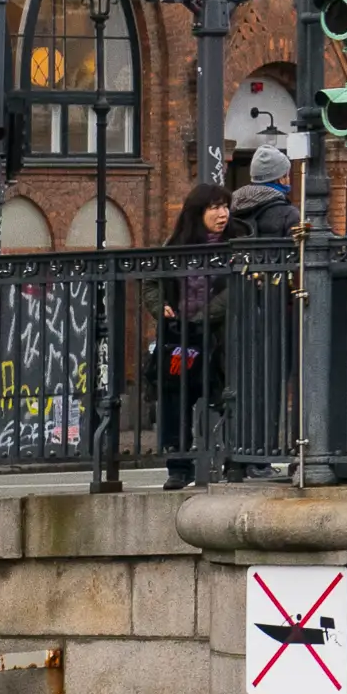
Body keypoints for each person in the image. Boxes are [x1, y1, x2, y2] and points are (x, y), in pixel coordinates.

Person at [154, 179, 238, 486]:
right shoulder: (176, 245)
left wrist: (205, 315)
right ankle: (178, 465)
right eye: (215, 207)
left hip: (221, 337)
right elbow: (153, 282)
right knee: (176, 397)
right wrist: (159, 305)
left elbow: (234, 291)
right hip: (182, 337)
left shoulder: (236, 243)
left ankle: (235, 461)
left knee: (230, 396)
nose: (223, 213)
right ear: (197, 211)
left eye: (225, 206)